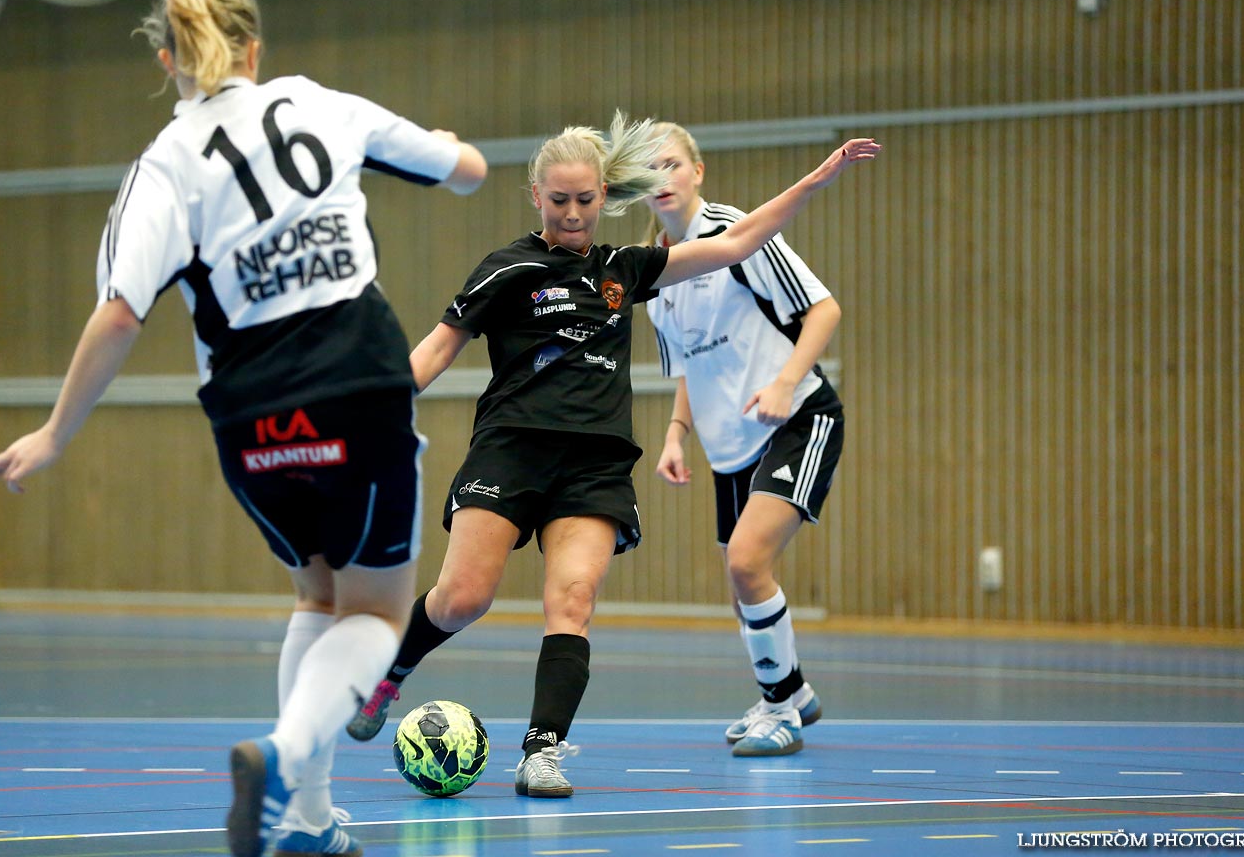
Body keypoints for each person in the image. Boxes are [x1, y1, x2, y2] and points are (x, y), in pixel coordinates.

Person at [0, 0, 487, 857]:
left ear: (167, 57)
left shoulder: (161, 167)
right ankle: (284, 762)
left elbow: (120, 311)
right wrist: (442, 142)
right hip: (357, 381)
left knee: (315, 593)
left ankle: (310, 822)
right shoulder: (323, 107)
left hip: (250, 416)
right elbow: (468, 172)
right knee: (372, 614)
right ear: (256, 47)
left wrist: (56, 431)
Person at [344, 111, 879, 797]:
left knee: (572, 601)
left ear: (605, 196)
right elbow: (439, 347)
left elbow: (740, 239)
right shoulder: (508, 269)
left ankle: (542, 751)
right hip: (510, 452)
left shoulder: (627, 270)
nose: (572, 214)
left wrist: (818, 177)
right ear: (535, 196)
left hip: (594, 466)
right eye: (558, 200)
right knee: (462, 599)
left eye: (586, 200)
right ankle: (390, 673)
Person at [642, 122, 844, 757]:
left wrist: (786, 382)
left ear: (696, 171)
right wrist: (676, 432)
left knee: (747, 562)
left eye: (672, 164)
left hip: (796, 419)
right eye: (649, 171)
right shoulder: (656, 274)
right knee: (742, 584)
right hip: (729, 446)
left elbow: (824, 309)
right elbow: (687, 365)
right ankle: (792, 692)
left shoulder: (734, 232)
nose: (663, 179)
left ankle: (781, 709)